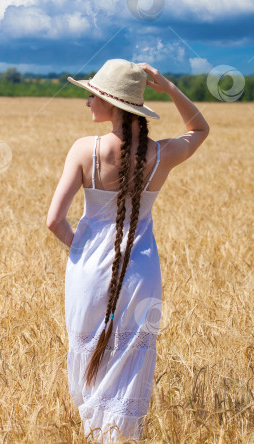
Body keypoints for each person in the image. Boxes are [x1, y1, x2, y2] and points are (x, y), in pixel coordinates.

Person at [46, 58, 210, 442]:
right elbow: (200, 128)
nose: (87, 103)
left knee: (88, 350)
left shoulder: (85, 149)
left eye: (92, 96)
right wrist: (168, 88)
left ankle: (94, 433)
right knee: (131, 356)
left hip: (88, 270)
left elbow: (54, 220)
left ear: (112, 105)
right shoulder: (162, 154)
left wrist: (82, 251)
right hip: (142, 271)